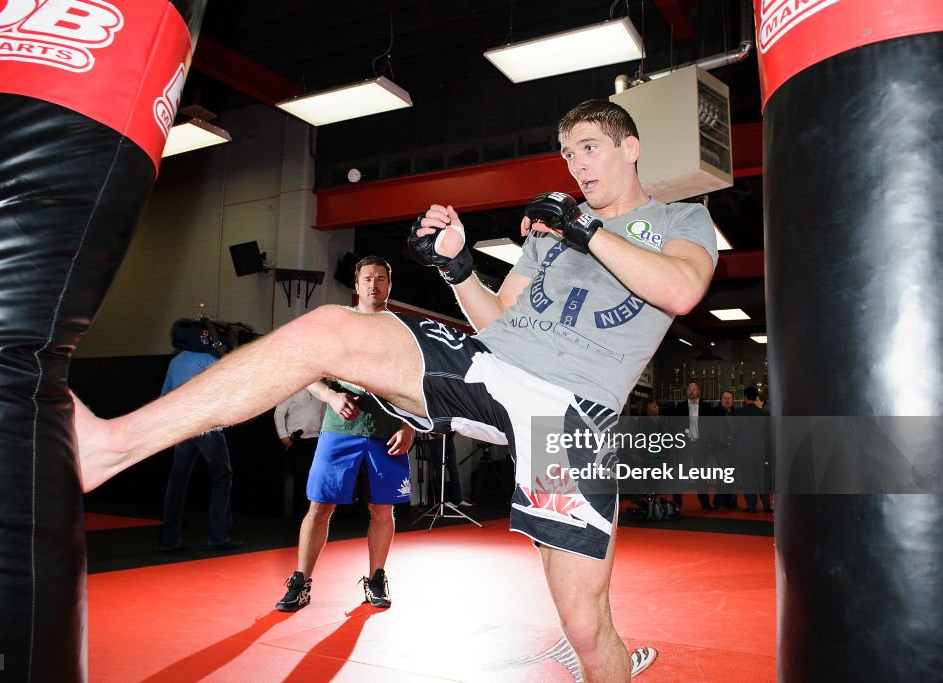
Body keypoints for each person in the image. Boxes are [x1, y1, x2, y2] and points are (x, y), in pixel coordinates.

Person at [73, 99, 716, 682]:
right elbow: (500, 326)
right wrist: (456, 267)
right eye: (569, 153)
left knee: (583, 624)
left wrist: (585, 232)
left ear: (630, 147)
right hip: (495, 373)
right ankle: (114, 443)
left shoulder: (682, 218)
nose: (577, 165)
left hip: (568, 415)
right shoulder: (550, 237)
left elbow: (682, 290)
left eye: (590, 147)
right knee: (331, 327)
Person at [275, 255, 415, 612]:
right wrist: (332, 396)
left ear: (389, 286)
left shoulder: (401, 331)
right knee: (320, 506)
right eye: (367, 278)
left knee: (382, 510)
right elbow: (308, 373)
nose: (374, 284)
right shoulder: (337, 324)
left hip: (387, 432)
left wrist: (410, 425)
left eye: (381, 278)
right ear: (356, 286)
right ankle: (300, 581)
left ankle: (376, 578)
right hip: (339, 431)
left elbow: (416, 385)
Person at [159, 349, 237, 552]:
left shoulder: (176, 361)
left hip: (183, 428)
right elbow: (223, 390)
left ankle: (170, 541)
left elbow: (165, 396)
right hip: (207, 426)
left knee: (177, 483)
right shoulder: (209, 359)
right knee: (222, 478)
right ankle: (218, 537)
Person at [273, 387, 325, 518]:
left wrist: (324, 436)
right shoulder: (294, 389)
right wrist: (284, 438)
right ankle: (301, 517)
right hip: (297, 440)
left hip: (316, 440)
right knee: (301, 480)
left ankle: (314, 515)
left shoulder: (322, 391)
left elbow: (324, 415)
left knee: (316, 480)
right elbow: (278, 413)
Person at [673, 381, 717, 509]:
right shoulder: (680, 407)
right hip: (685, 445)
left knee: (701, 474)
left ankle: (705, 502)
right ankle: (677, 502)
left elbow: (711, 428)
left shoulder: (707, 407)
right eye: (689, 389)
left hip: (700, 445)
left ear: (698, 392)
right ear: (686, 392)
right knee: (680, 473)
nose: (691, 392)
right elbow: (676, 427)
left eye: (694, 389)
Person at [734, 386, 772, 513]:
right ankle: (766, 505)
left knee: (748, 480)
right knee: (762, 480)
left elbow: (735, 433)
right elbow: (768, 435)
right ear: (756, 397)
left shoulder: (739, 413)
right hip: (760, 452)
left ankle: (752, 507)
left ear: (744, 398)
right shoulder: (764, 414)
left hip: (744, 452)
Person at [712, 389, 738, 510]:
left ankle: (732, 502)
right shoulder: (715, 413)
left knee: (733, 477)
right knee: (723, 477)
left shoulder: (736, 412)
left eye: (729, 398)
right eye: (725, 398)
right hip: (721, 450)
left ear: (733, 400)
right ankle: (719, 502)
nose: (727, 400)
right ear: (720, 400)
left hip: (734, 449)